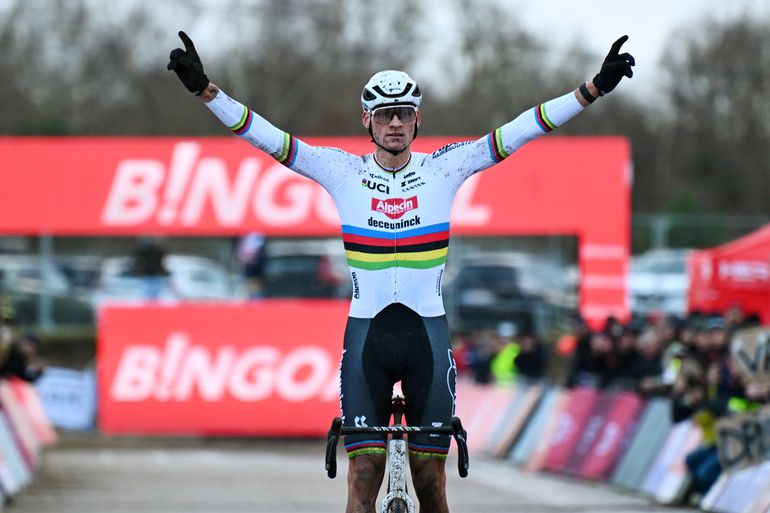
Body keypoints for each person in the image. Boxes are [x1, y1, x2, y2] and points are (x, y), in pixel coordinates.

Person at [168, 31, 635, 513]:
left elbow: (520, 130)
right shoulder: (340, 171)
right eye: (386, 115)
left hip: (426, 339)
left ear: (417, 121)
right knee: (363, 475)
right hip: (366, 337)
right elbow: (266, 136)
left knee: (431, 482)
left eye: (404, 114)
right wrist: (207, 93)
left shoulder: (446, 168)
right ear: (366, 120)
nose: (395, 124)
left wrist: (592, 90)